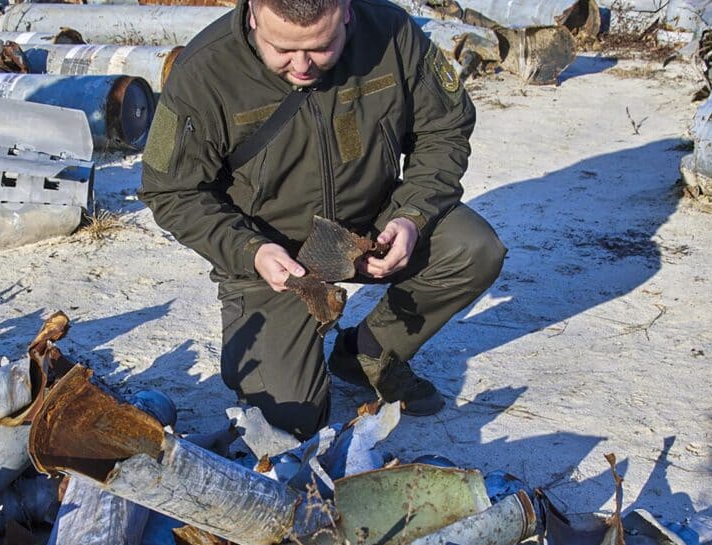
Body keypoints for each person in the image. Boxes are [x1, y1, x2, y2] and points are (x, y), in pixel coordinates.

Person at [139, 0, 507, 438]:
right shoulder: (204, 71)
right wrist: (250, 251)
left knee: (473, 250)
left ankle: (369, 352)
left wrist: (412, 215)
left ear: (346, 11)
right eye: (281, 49)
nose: (302, 66)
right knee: (286, 428)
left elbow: (444, 130)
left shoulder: (392, 32)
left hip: (373, 223)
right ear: (254, 12)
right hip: (275, 257)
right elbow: (172, 191)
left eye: (321, 47)